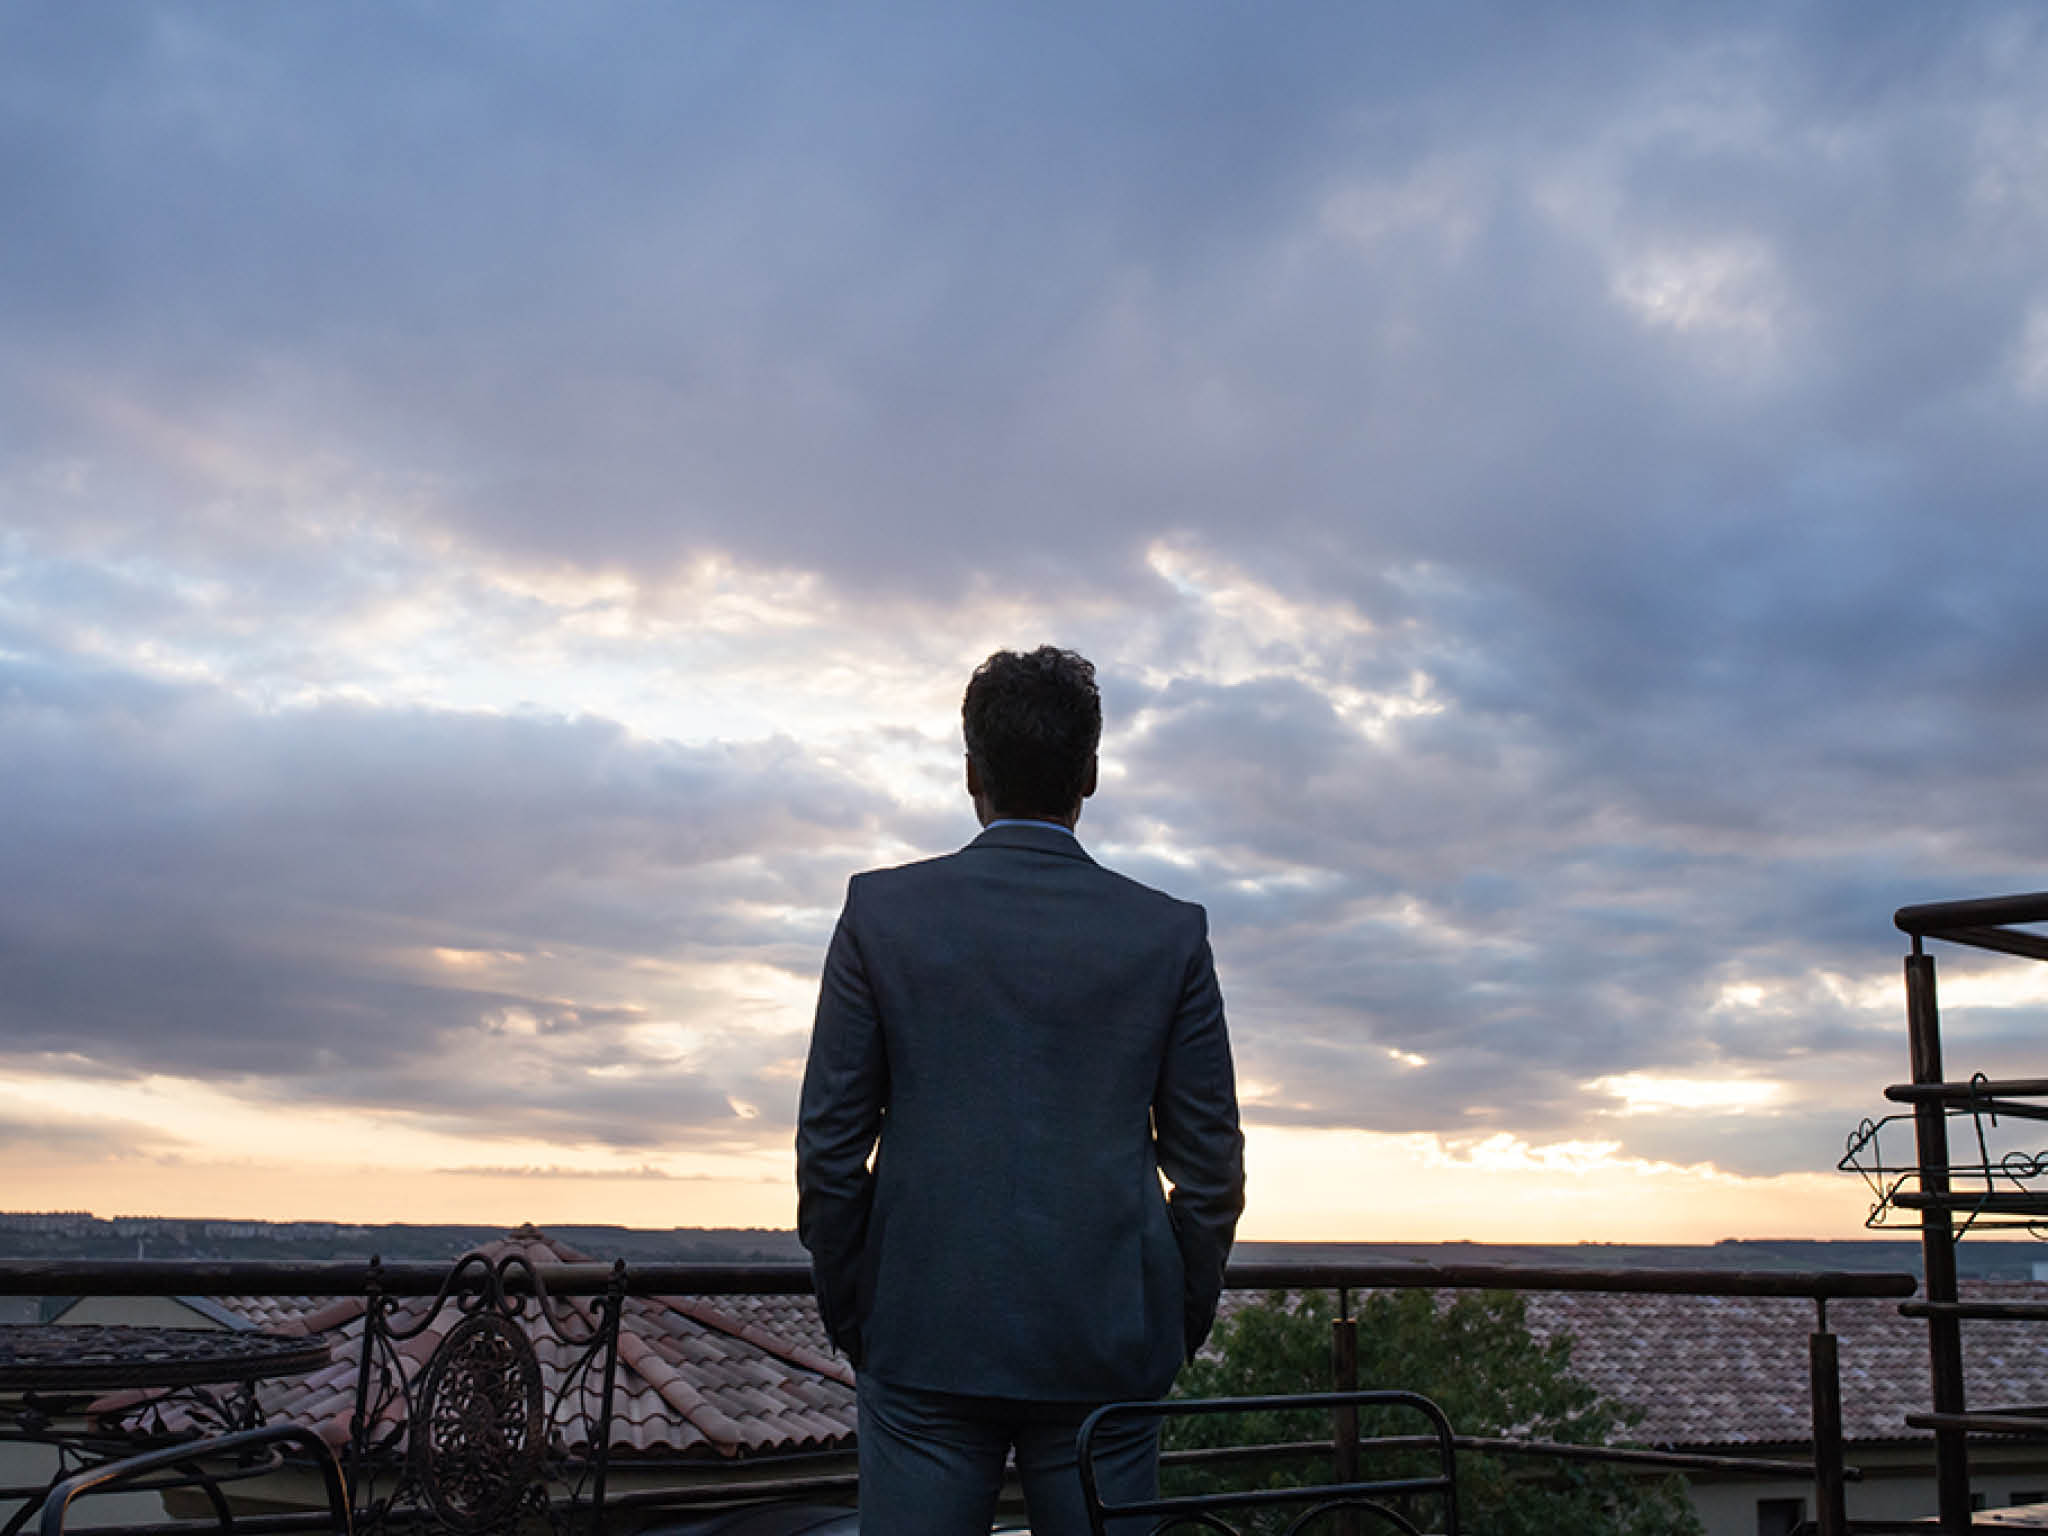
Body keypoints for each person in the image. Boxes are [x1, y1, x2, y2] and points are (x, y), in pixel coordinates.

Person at [796, 645, 1245, 1536]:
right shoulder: (1167, 934)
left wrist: (863, 1313)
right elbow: (1213, 1171)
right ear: (1090, 774)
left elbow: (831, 1150)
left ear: (971, 772)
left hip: (922, 1333)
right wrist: (1166, 1326)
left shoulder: (880, 915)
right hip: (1107, 1346)